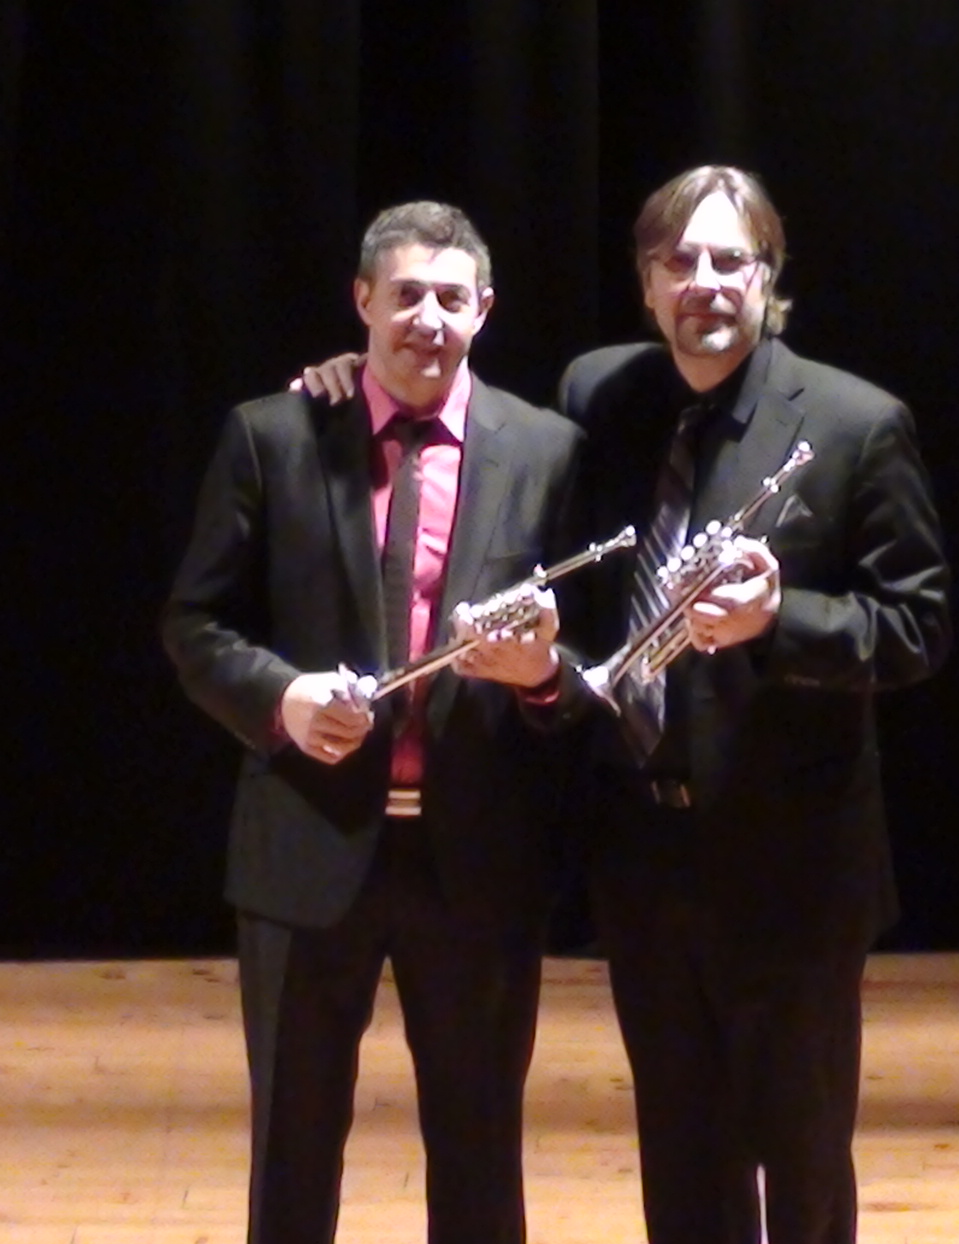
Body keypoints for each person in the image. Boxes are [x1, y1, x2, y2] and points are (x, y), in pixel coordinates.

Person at [297, 164, 952, 1244]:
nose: (705, 283)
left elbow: (918, 628)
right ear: (647, 283)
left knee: (801, 1166)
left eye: (730, 260)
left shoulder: (856, 423)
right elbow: (469, 414)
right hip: (642, 856)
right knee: (682, 1167)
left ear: (769, 274)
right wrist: (345, 377)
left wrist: (779, 619)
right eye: (678, 261)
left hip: (790, 865)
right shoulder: (601, 395)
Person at [162, 200, 581, 1244]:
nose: (427, 318)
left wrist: (541, 674)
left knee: (481, 1158)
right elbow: (194, 623)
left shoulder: (549, 450)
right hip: (307, 846)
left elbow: (590, 661)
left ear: (484, 309)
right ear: (362, 301)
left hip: (478, 857)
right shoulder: (274, 434)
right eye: (405, 294)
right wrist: (282, 698)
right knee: (293, 1156)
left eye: (451, 298)